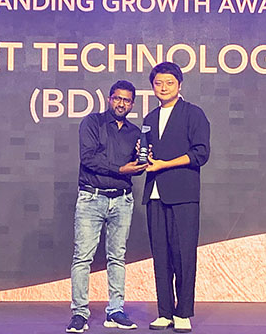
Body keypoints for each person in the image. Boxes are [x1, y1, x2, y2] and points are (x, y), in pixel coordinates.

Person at [66, 80, 148, 333]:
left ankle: (115, 310)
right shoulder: (92, 123)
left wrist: (143, 159)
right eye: (117, 98)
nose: (121, 103)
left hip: (122, 200)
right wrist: (121, 169)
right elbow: (88, 159)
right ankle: (80, 313)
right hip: (92, 197)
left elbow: (137, 167)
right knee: (83, 258)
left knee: (117, 258)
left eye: (127, 100)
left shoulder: (135, 133)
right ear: (110, 99)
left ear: (132, 104)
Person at [142, 62, 210, 333]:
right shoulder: (149, 119)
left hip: (183, 195)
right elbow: (147, 154)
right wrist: (144, 158)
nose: (164, 87)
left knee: (183, 255)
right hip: (154, 195)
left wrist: (164, 164)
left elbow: (201, 153)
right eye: (158, 83)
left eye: (169, 82)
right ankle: (164, 312)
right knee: (160, 256)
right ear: (152, 87)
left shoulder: (193, 114)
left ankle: (183, 313)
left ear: (179, 85)